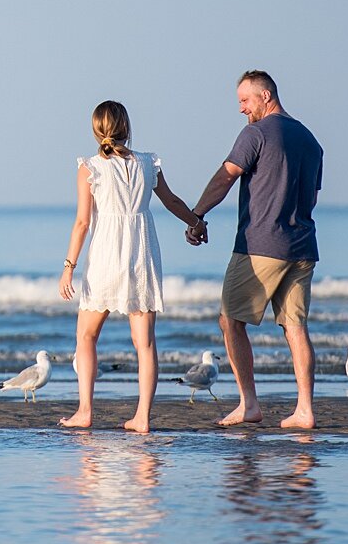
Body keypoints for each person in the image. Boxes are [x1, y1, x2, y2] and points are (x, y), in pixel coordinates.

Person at [57, 100, 206, 432]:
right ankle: (142, 418)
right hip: (141, 253)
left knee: (86, 335)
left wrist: (69, 266)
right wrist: (196, 222)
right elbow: (171, 201)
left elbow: (82, 223)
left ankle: (85, 411)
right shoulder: (148, 163)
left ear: (96, 130)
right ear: (127, 127)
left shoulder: (90, 167)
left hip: (106, 256)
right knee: (146, 343)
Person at [187, 70, 324, 429]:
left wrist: (197, 214)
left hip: (260, 244)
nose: (241, 109)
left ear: (265, 96)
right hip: (302, 245)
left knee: (230, 320)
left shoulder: (257, 133)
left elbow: (226, 176)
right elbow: (311, 196)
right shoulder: (311, 141)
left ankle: (249, 403)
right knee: (295, 327)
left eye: (245, 101)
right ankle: (305, 410)